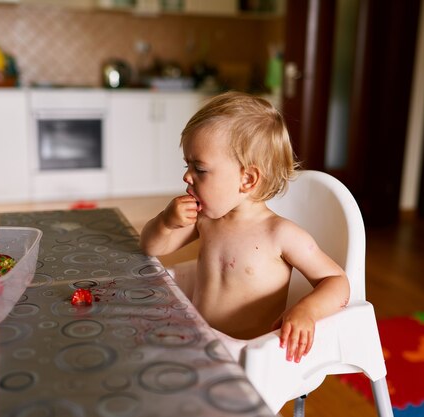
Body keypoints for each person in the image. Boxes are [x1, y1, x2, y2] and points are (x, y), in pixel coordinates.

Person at [140, 91, 350, 363]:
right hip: (200, 343)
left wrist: (306, 311)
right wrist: (165, 222)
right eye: (187, 164)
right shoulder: (206, 219)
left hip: (247, 358)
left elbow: (337, 282)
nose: (186, 175)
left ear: (247, 179)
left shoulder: (280, 234)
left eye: (199, 168)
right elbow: (151, 247)